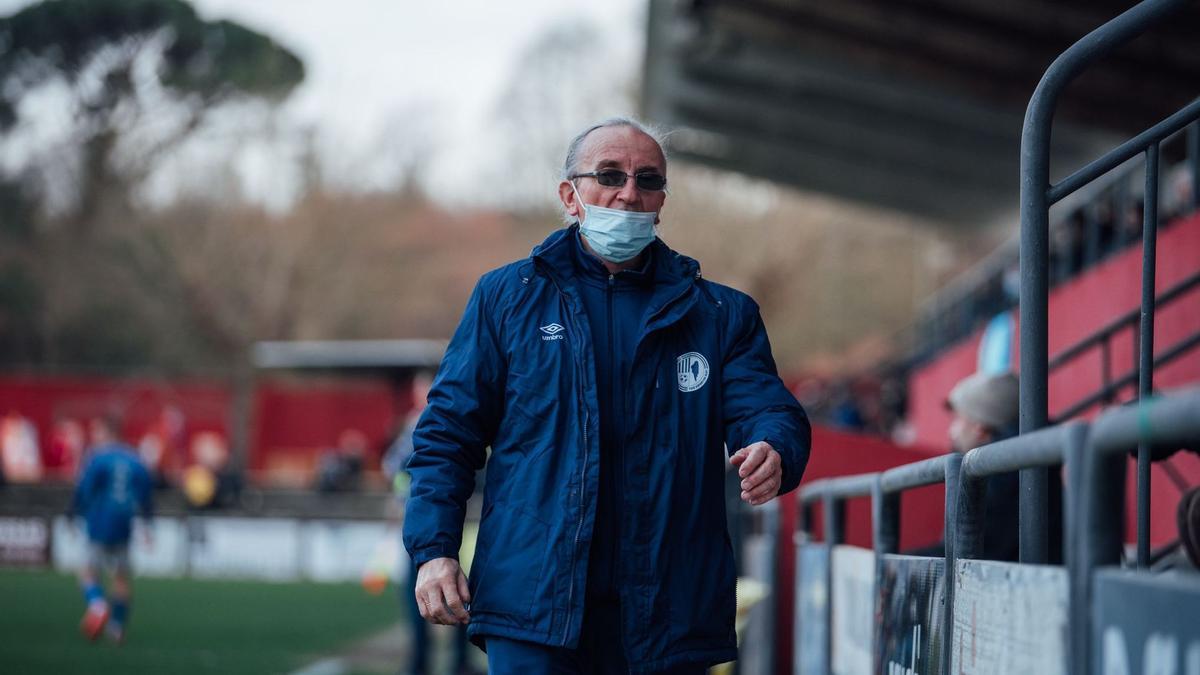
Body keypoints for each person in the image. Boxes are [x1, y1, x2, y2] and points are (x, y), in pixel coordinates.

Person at [402, 117, 811, 674]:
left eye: (648, 180)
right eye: (610, 175)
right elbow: (448, 434)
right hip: (533, 605)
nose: (629, 193)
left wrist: (774, 446)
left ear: (663, 200)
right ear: (570, 195)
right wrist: (433, 552)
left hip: (669, 609)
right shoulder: (505, 299)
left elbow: (768, 407)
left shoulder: (721, 314)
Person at [383, 372, 475, 675]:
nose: (420, 392)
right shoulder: (411, 425)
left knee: (458, 592)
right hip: (419, 525)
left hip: (445, 524)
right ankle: (421, 662)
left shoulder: (446, 420)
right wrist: (399, 501)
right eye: (418, 387)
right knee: (420, 596)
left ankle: (458, 661)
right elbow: (394, 469)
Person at [911, 371, 1020, 562]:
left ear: (980, 428)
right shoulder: (1010, 471)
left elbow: (964, 559)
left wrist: (893, 565)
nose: (951, 431)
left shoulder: (1000, 481)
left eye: (957, 419)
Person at [71, 415, 153, 643]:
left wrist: (72, 514)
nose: (93, 436)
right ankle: (116, 628)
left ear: (108, 432)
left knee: (87, 571)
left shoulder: (97, 458)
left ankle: (97, 606)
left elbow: (84, 489)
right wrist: (148, 525)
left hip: (99, 521)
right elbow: (146, 494)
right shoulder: (136, 458)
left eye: (96, 431)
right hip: (124, 523)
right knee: (121, 578)